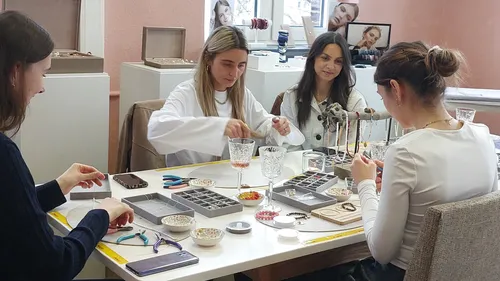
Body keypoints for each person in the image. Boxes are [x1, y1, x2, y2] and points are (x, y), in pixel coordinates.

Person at [0, 11, 134, 281]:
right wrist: (101, 215)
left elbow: (12, 213)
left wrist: (59, 186)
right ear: (16, 71)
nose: (42, 87)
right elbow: (56, 264)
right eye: (43, 73)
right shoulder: (4, 154)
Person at [348, 42, 499, 280]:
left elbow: (381, 252)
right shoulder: (482, 136)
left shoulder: (405, 152)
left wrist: (364, 184)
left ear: (396, 90)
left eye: (382, 96)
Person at [148, 26, 304, 167]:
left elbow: (262, 123)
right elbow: (157, 130)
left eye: (241, 65)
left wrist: (276, 124)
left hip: (230, 178)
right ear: (209, 59)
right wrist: (219, 127)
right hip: (189, 182)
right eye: (227, 64)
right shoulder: (186, 93)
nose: (234, 73)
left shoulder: (242, 95)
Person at [280, 31, 367, 151]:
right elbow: (289, 144)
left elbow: (350, 149)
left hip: (337, 167)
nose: (331, 66)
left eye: (338, 61)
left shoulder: (355, 102)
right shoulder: (292, 96)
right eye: (325, 58)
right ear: (313, 58)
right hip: (299, 166)